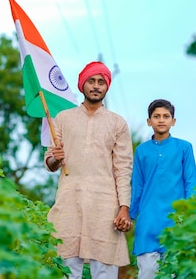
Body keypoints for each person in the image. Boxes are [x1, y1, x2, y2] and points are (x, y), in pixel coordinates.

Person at [45, 61, 134, 279]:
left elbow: (123, 169)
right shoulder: (63, 118)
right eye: (91, 81)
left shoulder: (117, 123)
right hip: (69, 201)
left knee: (104, 269)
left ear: (107, 87)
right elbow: (49, 162)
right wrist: (56, 159)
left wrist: (124, 207)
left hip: (104, 205)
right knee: (66, 267)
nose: (96, 86)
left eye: (101, 82)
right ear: (82, 85)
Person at [130, 99, 196, 279]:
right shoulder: (142, 151)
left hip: (176, 221)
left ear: (173, 121)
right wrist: (129, 215)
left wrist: (194, 214)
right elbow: (137, 185)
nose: (161, 120)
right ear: (149, 121)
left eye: (166, 116)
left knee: (176, 272)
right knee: (148, 272)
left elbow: (191, 182)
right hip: (148, 222)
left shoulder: (184, 148)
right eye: (156, 116)